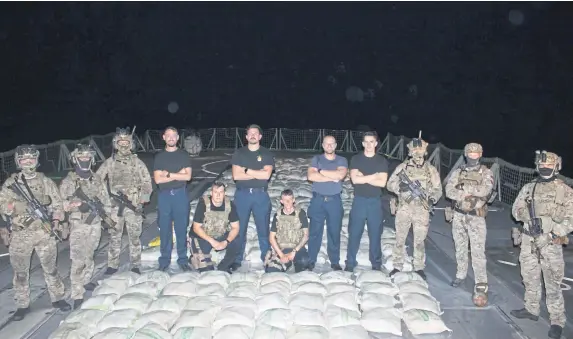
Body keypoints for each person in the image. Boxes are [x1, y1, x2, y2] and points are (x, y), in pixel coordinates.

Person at [0, 145, 71, 320]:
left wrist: (55, 220)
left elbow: (57, 204)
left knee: (51, 269)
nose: (28, 162)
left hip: (43, 233)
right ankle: (23, 305)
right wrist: (17, 207)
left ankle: (57, 298)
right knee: (21, 273)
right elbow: (2, 205)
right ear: (18, 161)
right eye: (24, 159)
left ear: (36, 160)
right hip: (20, 235)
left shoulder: (45, 181)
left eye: (31, 158)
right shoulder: (11, 184)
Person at [510, 150, 572, 339]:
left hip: (550, 243)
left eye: (549, 166)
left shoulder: (565, 191)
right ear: (537, 166)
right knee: (529, 277)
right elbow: (515, 210)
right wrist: (525, 215)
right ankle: (531, 309)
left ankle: (557, 320)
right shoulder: (529, 188)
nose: (545, 168)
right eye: (542, 166)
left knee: (552, 283)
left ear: (556, 167)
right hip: (529, 240)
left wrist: (553, 233)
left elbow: (570, 219)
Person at [59, 144, 113, 309]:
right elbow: (60, 204)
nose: (85, 160)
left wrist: (107, 216)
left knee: (90, 254)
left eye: (88, 157)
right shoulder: (69, 181)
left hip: (94, 223)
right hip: (78, 224)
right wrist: (77, 205)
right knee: (77, 259)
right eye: (81, 157)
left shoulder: (96, 179)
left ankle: (87, 280)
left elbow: (105, 199)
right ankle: (77, 293)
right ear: (75, 159)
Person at [97, 127, 153, 275]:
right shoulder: (109, 162)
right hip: (115, 206)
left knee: (134, 236)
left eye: (126, 141)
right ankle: (112, 264)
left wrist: (142, 200)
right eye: (120, 141)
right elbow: (97, 180)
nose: (123, 144)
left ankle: (135, 263)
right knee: (114, 236)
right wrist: (104, 198)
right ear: (116, 143)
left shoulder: (137, 162)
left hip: (133, 204)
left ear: (131, 143)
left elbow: (147, 182)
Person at [444, 143, 495, 304]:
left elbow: (485, 190)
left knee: (478, 252)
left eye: (476, 153)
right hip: (459, 215)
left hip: (476, 218)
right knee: (460, 247)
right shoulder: (458, 172)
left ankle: (481, 283)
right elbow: (449, 191)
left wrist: (464, 188)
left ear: (480, 154)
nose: (473, 156)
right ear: (466, 154)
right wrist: (468, 192)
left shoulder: (486, 172)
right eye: (470, 153)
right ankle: (461, 274)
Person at [387, 136, 442, 280]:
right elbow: (390, 184)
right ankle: (397, 265)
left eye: (420, 150)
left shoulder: (431, 170)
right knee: (400, 238)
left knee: (419, 240)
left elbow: (438, 189)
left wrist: (432, 199)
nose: (417, 153)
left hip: (421, 210)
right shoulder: (402, 168)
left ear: (425, 152)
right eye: (414, 150)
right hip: (404, 208)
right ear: (410, 152)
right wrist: (401, 188)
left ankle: (418, 267)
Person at [230, 124, 274, 271]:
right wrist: (258, 172)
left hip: (260, 195)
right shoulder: (239, 153)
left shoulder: (266, 154)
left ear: (260, 137)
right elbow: (236, 175)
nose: (253, 135)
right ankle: (236, 259)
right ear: (247, 137)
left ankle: (266, 258)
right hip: (242, 195)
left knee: (263, 230)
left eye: (256, 133)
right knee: (239, 229)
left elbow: (266, 175)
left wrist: (247, 170)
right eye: (250, 133)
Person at [345, 131, 389, 271]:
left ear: (376, 143)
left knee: (375, 233)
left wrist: (364, 177)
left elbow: (382, 183)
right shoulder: (356, 159)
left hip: (375, 202)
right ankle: (350, 262)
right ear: (363, 143)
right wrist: (374, 176)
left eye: (372, 142)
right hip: (359, 201)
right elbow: (355, 180)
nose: (369, 145)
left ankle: (376, 263)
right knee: (354, 233)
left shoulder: (381, 161)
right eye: (366, 142)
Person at [152, 126, 193, 271]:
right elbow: (158, 180)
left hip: (180, 195)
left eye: (173, 135)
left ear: (177, 138)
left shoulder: (184, 155)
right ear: (163, 137)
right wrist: (178, 174)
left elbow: (188, 176)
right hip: (164, 197)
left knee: (182, 228)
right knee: (165, 229)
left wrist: (168, 174)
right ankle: (164, 260)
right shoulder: (159, 157)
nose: (171, 138)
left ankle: (183, 259)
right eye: (168, 135)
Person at [306, 135, 347, 271]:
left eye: (332, 144)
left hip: (334, 201)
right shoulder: (316, 159)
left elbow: (340, 175)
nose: (329, 146)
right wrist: (332, 176)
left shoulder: (342, 160)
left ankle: (334, 261)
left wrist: (321, 172)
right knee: (314, 232)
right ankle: (311, 260)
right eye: (326, 144)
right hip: (318, 200)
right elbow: (311, 176)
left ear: (335, 145)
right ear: (322, 145)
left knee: (334, 232)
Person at [189, 181, 240, 273]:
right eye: (215, 192)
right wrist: (212, 242)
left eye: (221, 192)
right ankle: (194, 256)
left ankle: (224, 266)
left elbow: (235, 227)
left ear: (224, 193)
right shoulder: (203, 204)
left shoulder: (230, 205)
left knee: (236, 239)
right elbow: (196, 228)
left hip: (219, 234)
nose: (218, 195)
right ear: (211, 193)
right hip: (203, 236)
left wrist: (226, 242)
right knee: (207, 270)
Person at [265, 189, 310, 273]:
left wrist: (294, 251)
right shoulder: (278, 215)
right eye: (285, 200)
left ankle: (294, 266)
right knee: (271, 271)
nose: (288, 202)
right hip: (282, 249)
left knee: (304, 261)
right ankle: (287, 265)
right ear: (281, 201)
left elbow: (306, 235)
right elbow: (271, 237)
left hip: (297, 249)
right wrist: (281, 255)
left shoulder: (301, 213)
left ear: (293, 200)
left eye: (290, 200)